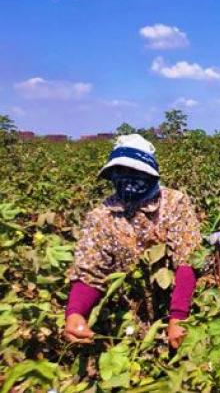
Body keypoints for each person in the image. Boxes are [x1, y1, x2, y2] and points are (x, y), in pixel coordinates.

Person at [63, 134, 201, 349]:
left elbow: (187, 259)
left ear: (149, 174)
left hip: (179, 302)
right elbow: (90, 272)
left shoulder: (174, 203)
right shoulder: (102, 216)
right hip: (129, 313)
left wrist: (179, 316)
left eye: (135, 172)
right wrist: (75, 313)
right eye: (121, 172)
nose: (127, 179)